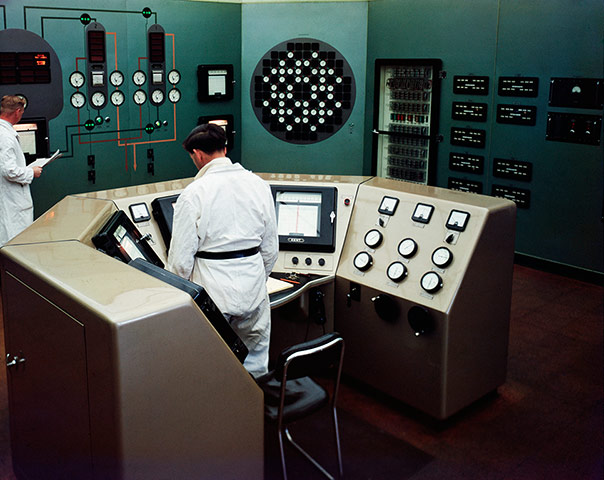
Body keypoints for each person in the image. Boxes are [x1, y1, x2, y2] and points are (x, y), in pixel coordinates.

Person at [167, 124, 278, 377]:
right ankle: (253, 413)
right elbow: (270, 249)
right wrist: (257, 279)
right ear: (225, 149)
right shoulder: (259, 185)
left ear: (197, 154)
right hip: (254, 290)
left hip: (213, 293)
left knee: (211, 366)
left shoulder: (192, 194)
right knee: (255, 364)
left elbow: (180, 264)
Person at [0, 95, 43, 248]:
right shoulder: (5, 136)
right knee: (15, 243)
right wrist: (32, 172)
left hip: (9, 200)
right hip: (11, 203)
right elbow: (9, 171)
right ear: (18, 111)